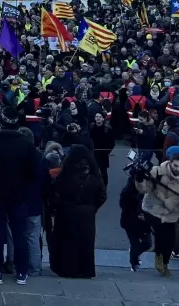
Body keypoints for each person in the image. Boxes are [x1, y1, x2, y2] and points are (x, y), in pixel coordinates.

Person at [0, 106, 38, 285]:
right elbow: (35, 170)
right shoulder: (26, 143)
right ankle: (21, 272)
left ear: (0, 122)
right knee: (19, 233)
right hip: (19, 195)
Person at [47, 145, 107, 279]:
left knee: (68, 243)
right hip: (87, 213)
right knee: (86, 243)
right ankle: (85, 270)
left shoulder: (67, 172)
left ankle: (68, 269)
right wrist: (92, 207)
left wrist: (55, 208)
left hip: (67, 211)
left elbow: (57, 193)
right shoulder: (94, 173)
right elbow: (102, 194)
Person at [135, 153, 179, 277]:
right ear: (170, 162)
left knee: (171, 240)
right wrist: (139, 180)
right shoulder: (157, 172)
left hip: (172, 213)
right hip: (153, 210)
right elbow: (144, 189)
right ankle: (158, 257)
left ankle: (164, 262)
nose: (178, 169)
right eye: (176, 166)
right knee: (160, 235)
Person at [120, 170, 152, 272]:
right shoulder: (127, 192)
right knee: (135, 243)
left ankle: (135, 253)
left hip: (143, 222)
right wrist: (138, 213)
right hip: (130, 221)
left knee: (148, 244)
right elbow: (123, 205)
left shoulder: (146, 190)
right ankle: (134, 263)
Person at [90, 112, 115, 187]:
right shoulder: (91, 127)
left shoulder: (107, 129)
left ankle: (104, 186)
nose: (98, 118)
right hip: (93, 153)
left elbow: (112, 143)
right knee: (92, 171)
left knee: (103, 172)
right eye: (96, 116)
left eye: (100, 117)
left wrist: (106, 152)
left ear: (103, 118)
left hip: (103, 155)